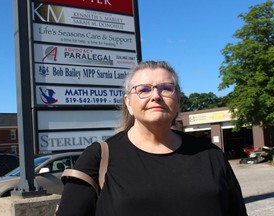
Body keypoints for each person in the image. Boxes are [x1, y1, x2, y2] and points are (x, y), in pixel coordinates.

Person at [56, 61, 247, 216]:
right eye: (144, 90)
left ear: (178, 99)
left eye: (166, 88)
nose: (156, 95)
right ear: (128, 102)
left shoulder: (210, 155)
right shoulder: (99, 156)